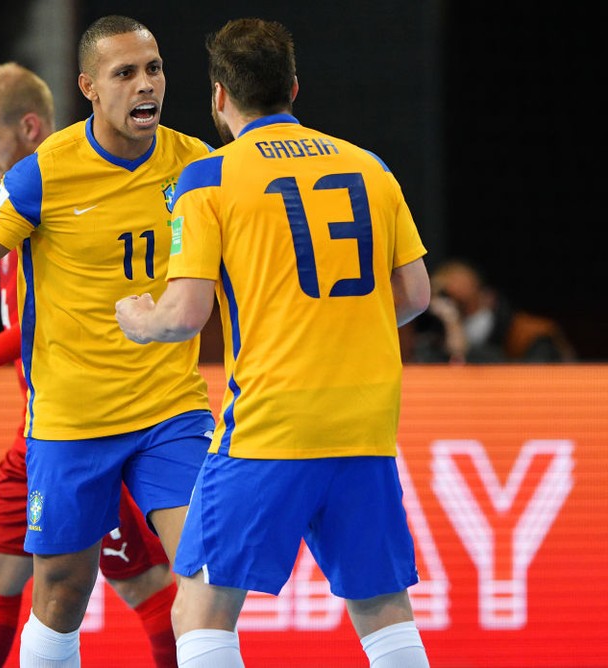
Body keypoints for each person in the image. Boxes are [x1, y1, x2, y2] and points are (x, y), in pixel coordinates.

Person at [115, 18, 433, 667]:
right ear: (293, 86)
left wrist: (139, 318)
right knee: (380, 605)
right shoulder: (369, 167)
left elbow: (184, 314)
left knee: (200, 607)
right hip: (366, 421)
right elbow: (417, 295)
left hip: (272, 421)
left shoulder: (209, 178)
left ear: (218, 98)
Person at [0, 16, 215, 666]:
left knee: (205, 576)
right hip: (71, 421)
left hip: (170, 411)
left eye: (154, 69)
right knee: (60, 590)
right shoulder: (40, 174)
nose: (146, 85)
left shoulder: (199, 164)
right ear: (89, 86)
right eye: (126, 73)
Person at [406, 258, 575, 364]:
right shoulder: (434, 337)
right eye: (447, 301)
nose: (456, 313)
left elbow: (539, 379)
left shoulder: (531, 334)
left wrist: (466, 351)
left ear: (488, 297)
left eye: (464, 304)